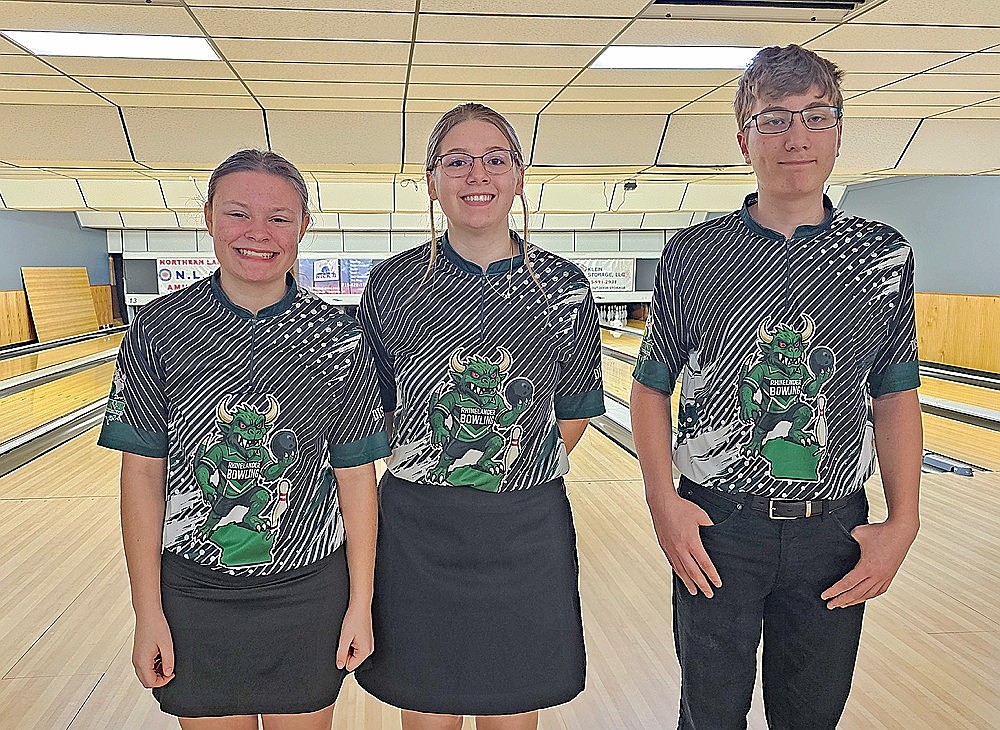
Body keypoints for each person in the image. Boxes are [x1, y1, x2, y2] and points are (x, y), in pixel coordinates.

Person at [630, 45, 923, 729]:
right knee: (710, 715)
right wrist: (662, 502)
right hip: (718, 525)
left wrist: (902, 520)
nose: (796, 137)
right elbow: (648, 387)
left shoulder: (881, 254)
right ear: (744, 139)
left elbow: (895, 393)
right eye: (773, 120)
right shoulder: (695, 254)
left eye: (816, 117)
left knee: (812, 716)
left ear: (839, 134)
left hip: (833, 531)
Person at [98, 149, 390, 729]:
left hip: (308, 593)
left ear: (304, 226)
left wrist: (361, 604)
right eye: (238, 214)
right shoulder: (157, 328)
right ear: (208, 218)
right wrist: (147, 612)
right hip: (194, 594)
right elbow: (141, 479)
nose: (258, 233)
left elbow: (356, 481)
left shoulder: (340, 338)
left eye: (279, 218)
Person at [353, 103, 605, 730]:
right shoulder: (390, 284)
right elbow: (377, 408)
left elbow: (573, 411)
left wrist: (507, 463)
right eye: (457, 161)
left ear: (520, 178)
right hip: (419, 528)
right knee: (428, 706)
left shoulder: (563, 286)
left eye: (495, 160)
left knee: (512, 708)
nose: (477, 175)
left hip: (526, 526)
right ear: (432, 180)